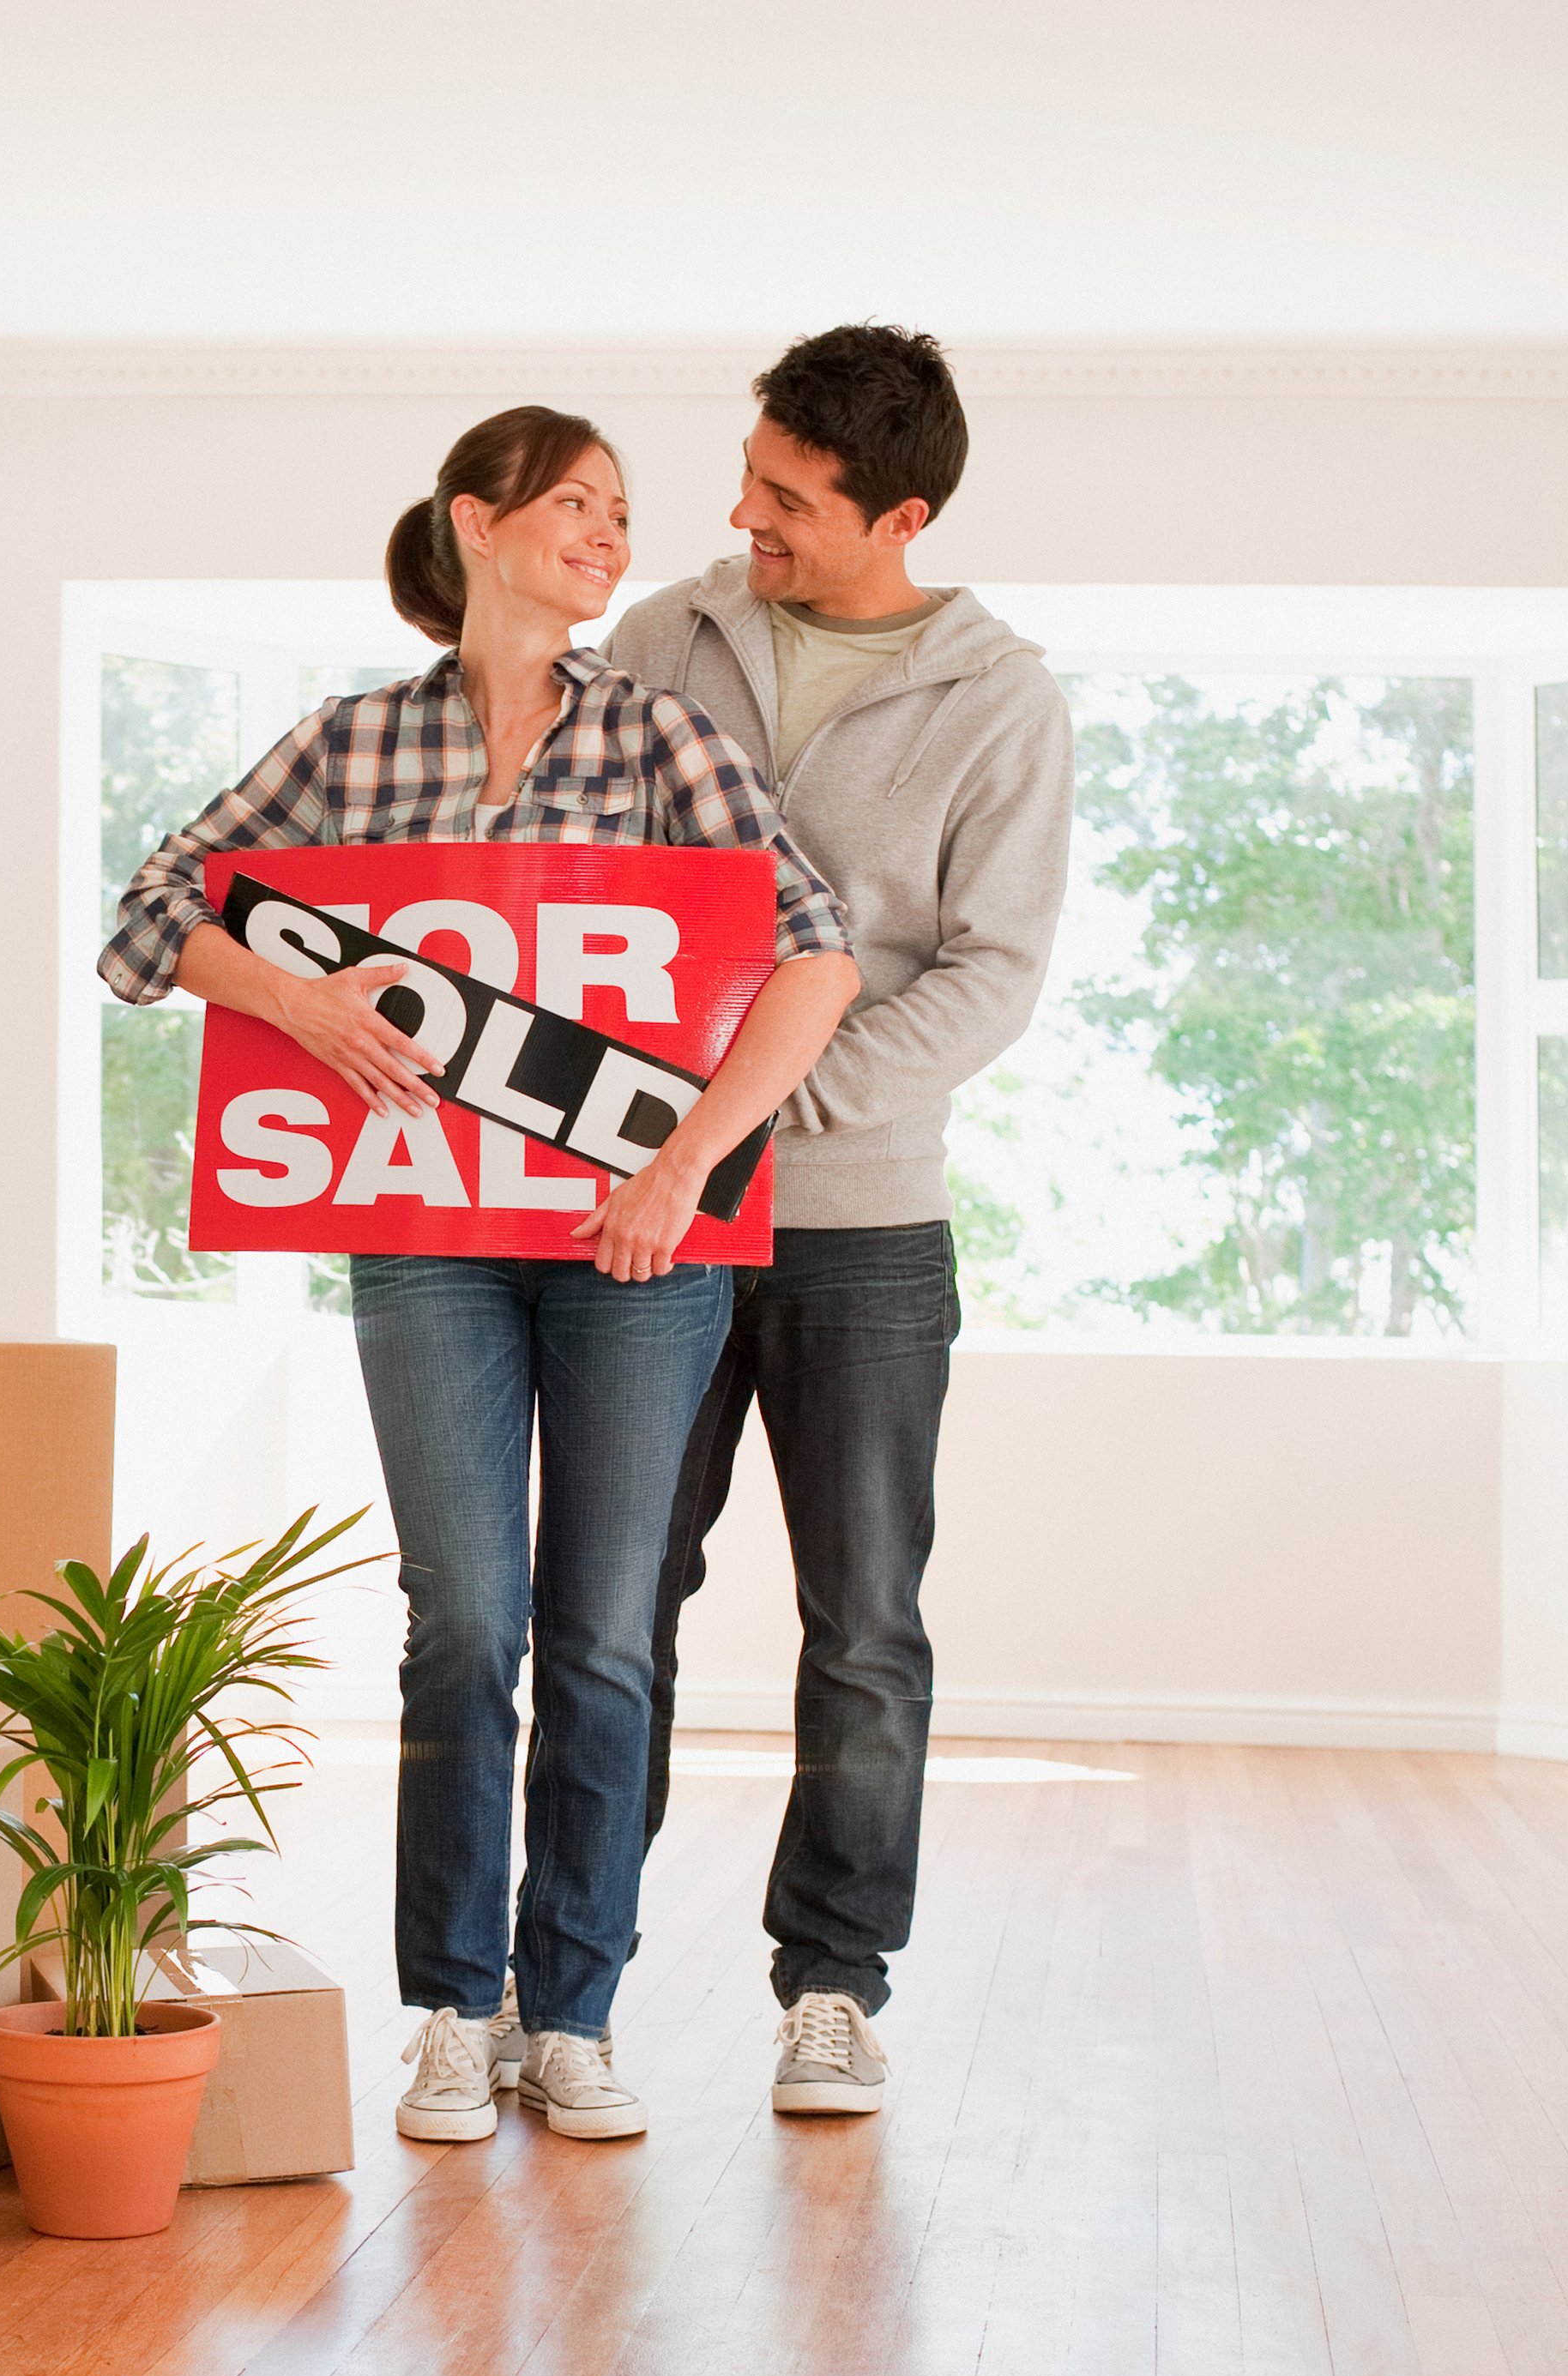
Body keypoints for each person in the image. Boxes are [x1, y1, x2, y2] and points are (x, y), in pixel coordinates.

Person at [100, 407, 859, 2147]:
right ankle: (456, 2010)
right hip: (427, 1241)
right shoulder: (354, 744)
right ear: (479, 522)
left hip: (633, 1251)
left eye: (620, 512)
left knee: (602, 1640)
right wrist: (296, 997)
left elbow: (813, 962)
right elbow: (151, 919)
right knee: (464, 1630)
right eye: (577, 505)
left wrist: (683, 1167)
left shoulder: (663, 737)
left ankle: (572, 2015)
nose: (609, 535)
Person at [604, 326, 1072, 2116]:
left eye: (789, 499)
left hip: (864, 1225)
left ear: (903, 514)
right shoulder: (667, 638)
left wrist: (757, 1108)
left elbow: (992, 975)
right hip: (650, 1210)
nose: (743, 517)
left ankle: (835, 1982)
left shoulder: (1001, 701)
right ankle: (568, 1971)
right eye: (751, 476)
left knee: (865, 1618)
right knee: (616, 1595)